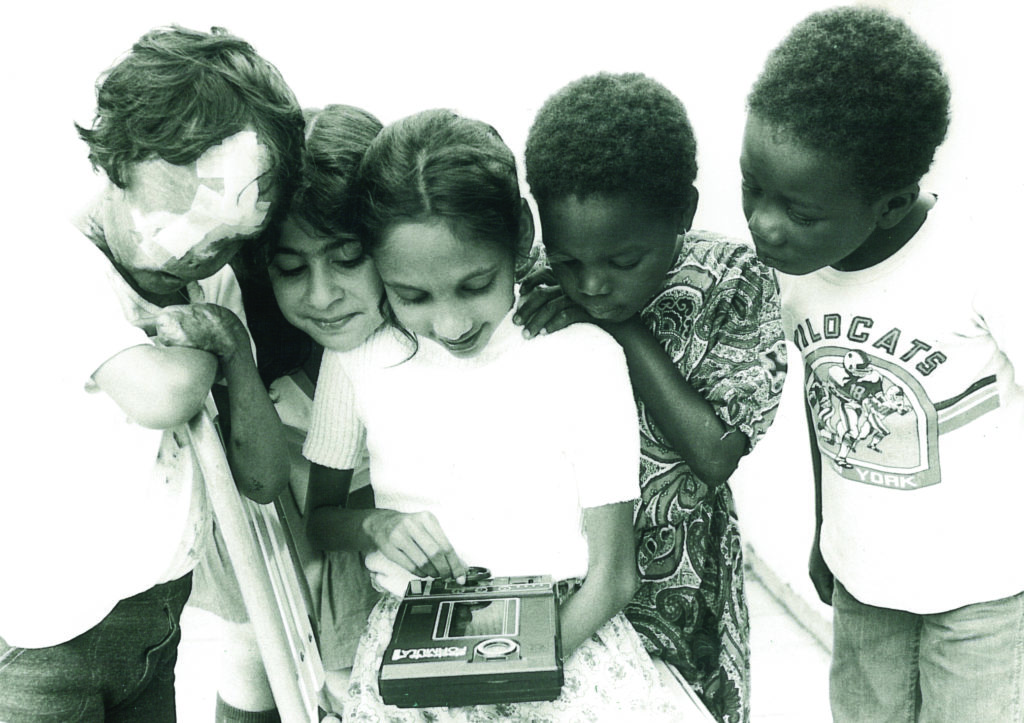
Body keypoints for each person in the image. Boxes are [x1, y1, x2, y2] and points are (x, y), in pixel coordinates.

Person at [302, 108, 697, 721]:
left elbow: (615, 579)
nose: (452, 324)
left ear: (519, 233)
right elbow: (320, 521)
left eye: (474, 284)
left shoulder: (582, 354)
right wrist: (375, 526)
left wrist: (513, 675)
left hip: (568, 636)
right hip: (415, 645)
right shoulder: (356, 360)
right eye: (413, 296)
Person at [0, 26, 303, 722]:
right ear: (117, 160)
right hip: (44, 636)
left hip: (155, 611)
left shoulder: (212, 286)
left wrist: (234, 350)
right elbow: (160, 394)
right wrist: (214, 342)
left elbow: (261, 475)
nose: (198, 250)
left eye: (231, 235)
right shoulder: (48, 261)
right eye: (184, 215)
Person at [741, 7, 1024, 721]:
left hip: (985, 592)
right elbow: (824, 394)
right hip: (865, 580)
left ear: (891, 203)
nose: (764, 224)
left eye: (798, 211)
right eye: (753, 187)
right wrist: (821, 527)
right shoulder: (793, 269)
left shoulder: (978, 260)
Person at [514, 72, 787, 722]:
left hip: (683, 591)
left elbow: (715, 452)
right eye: (569, 259)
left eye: (622, 261)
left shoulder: (733, 285)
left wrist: (623, 333)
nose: (592, 284)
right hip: (572, 581)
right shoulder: (540, 288)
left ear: (683, 214)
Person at [190, 104, 386, 723]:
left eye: (349, 257)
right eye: (292, 268)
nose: (321, 294)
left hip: (377, 556)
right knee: (253, 661)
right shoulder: (263, 356)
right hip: (277, 549)